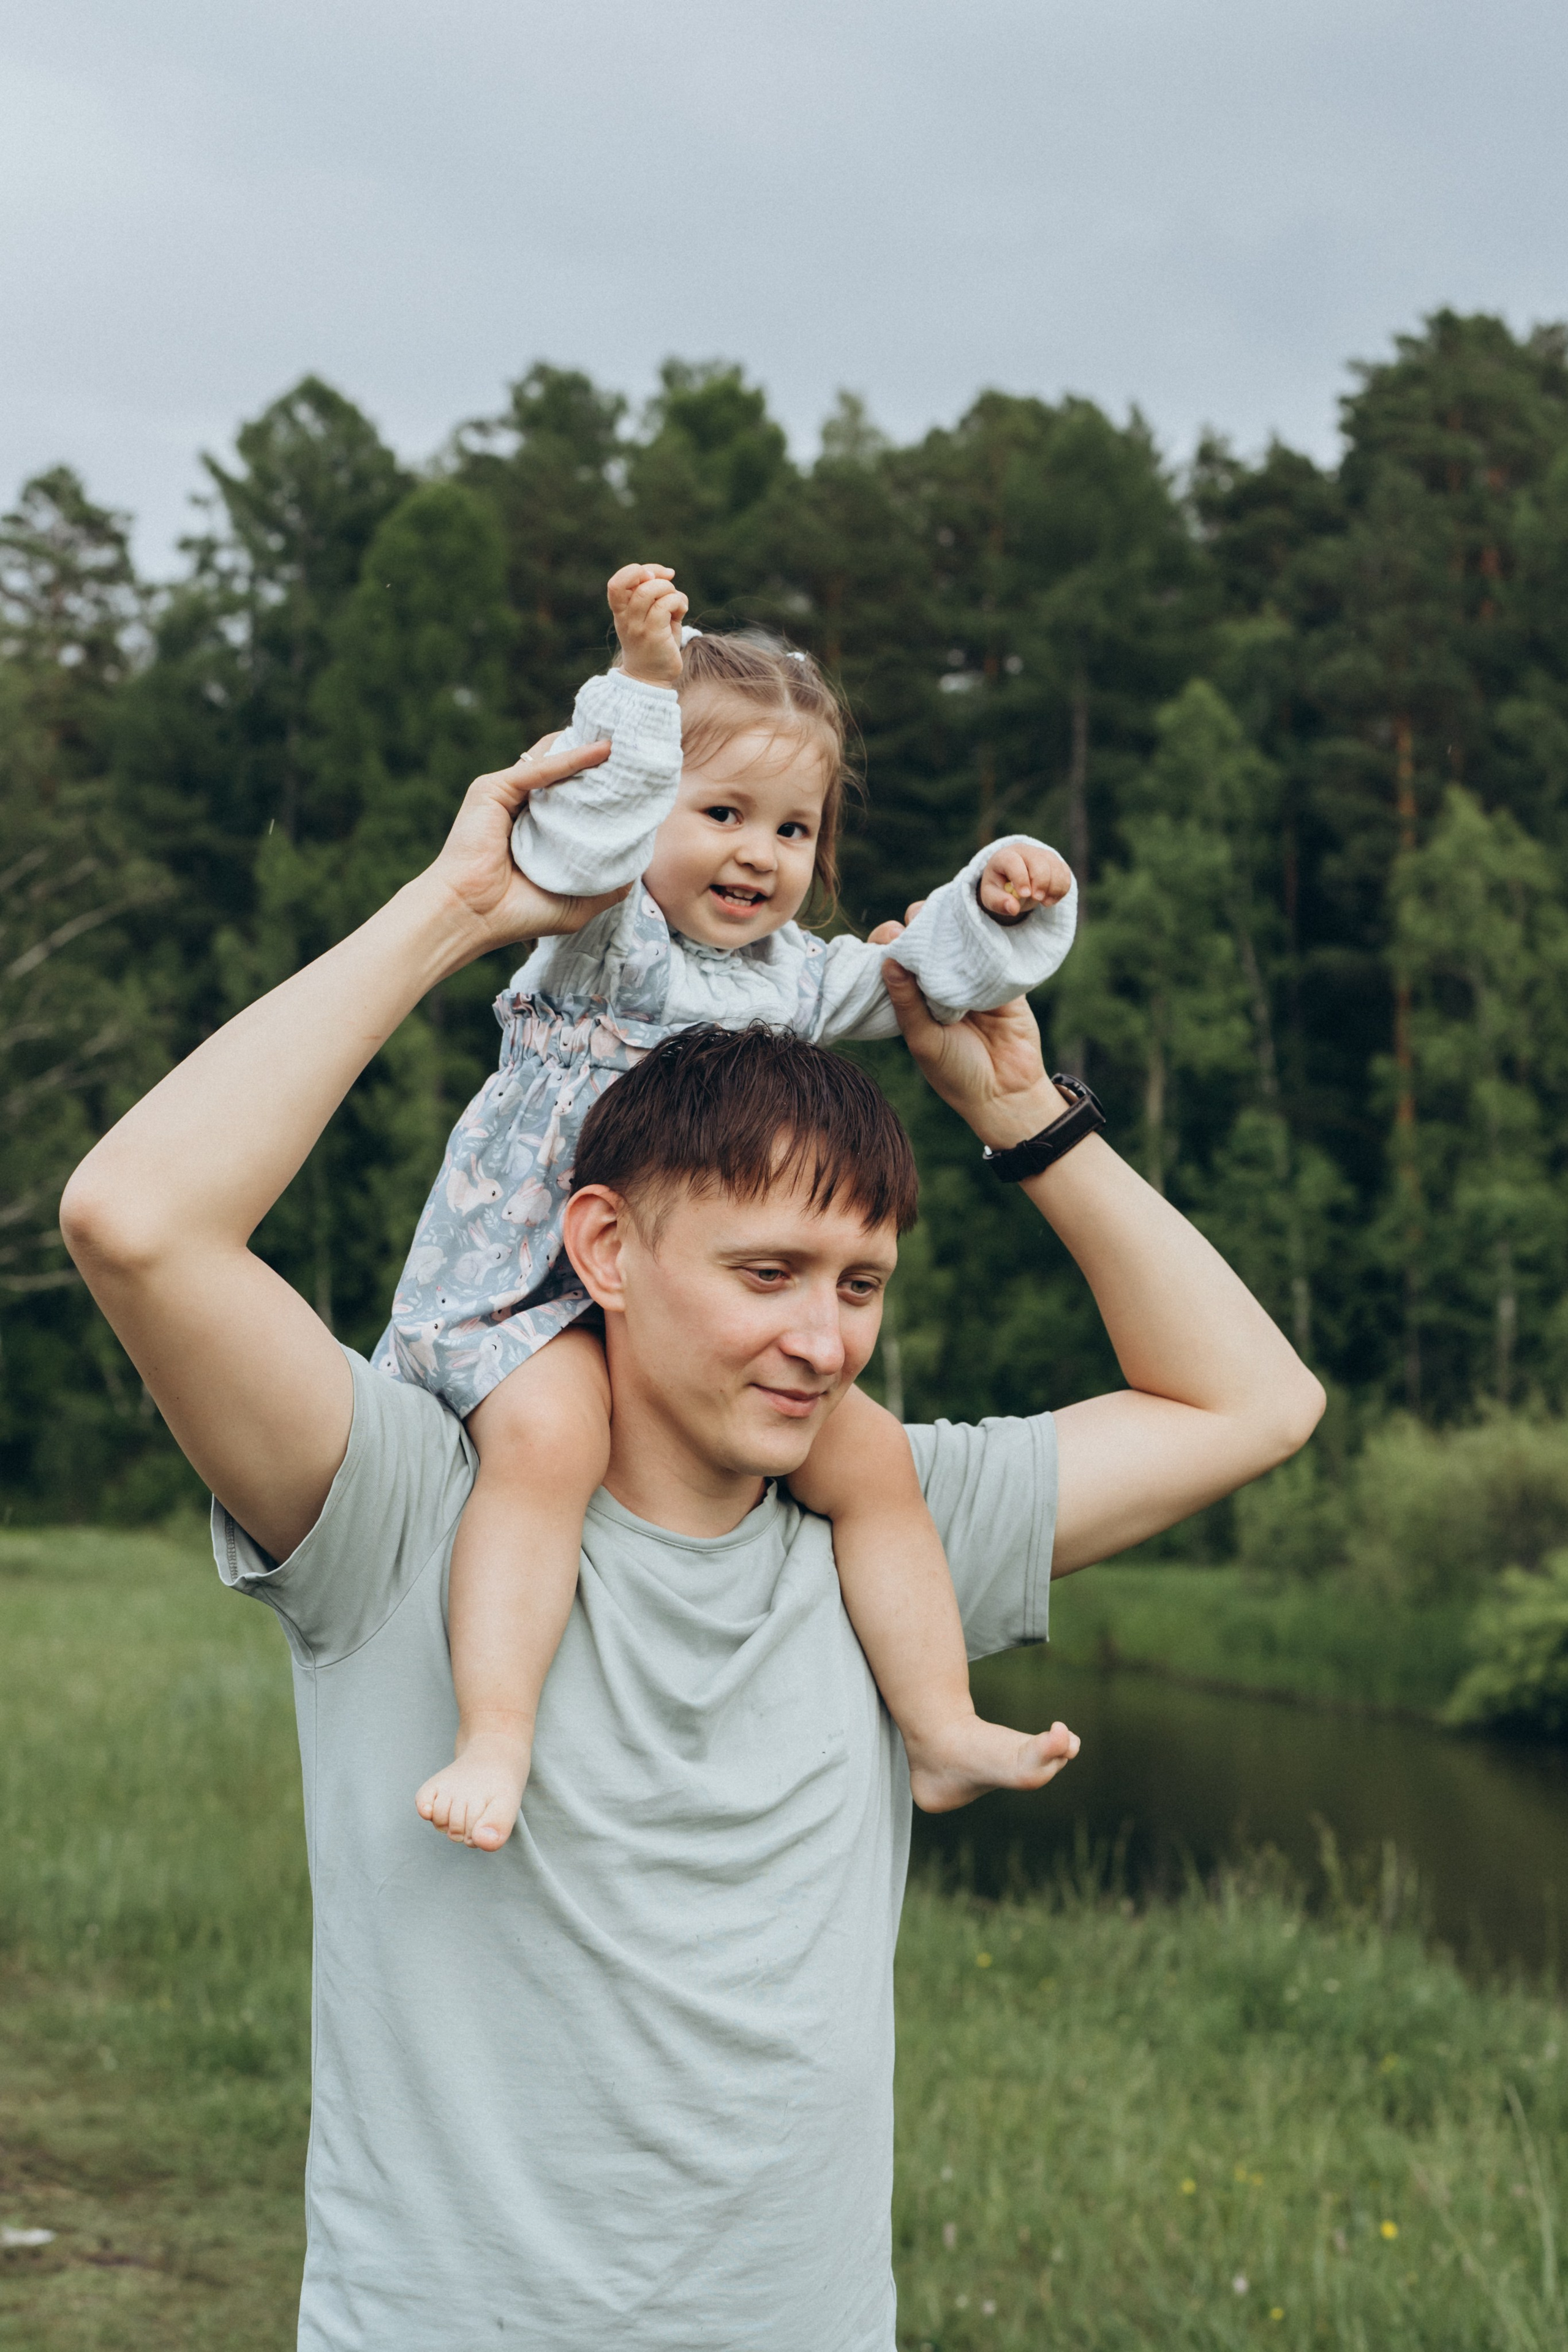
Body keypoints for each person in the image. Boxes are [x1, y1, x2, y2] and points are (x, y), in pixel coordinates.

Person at [59, 725, 1324, 2351]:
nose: (825, 1341)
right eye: (768, 1274)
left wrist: (1024, 1117)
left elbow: (1255, 1406)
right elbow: (134, 1222)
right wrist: (460, 908)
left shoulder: (889, 1530)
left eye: (859, 1286)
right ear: (604, 1244)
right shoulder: (400, 1511)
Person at [381, 561, 1081, 1850]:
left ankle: (936, 1725)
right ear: (652, 804)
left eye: (791, 828)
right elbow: (584, 833)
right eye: (718, 811)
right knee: (547, 1446)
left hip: (693, 1323)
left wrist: (996, 901)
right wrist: (643, 695)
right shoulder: (601, 933)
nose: (756, 853)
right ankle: (496, 1728)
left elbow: (921, 980)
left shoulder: (793, 981)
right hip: (533, 1293)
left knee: (871, 1460)